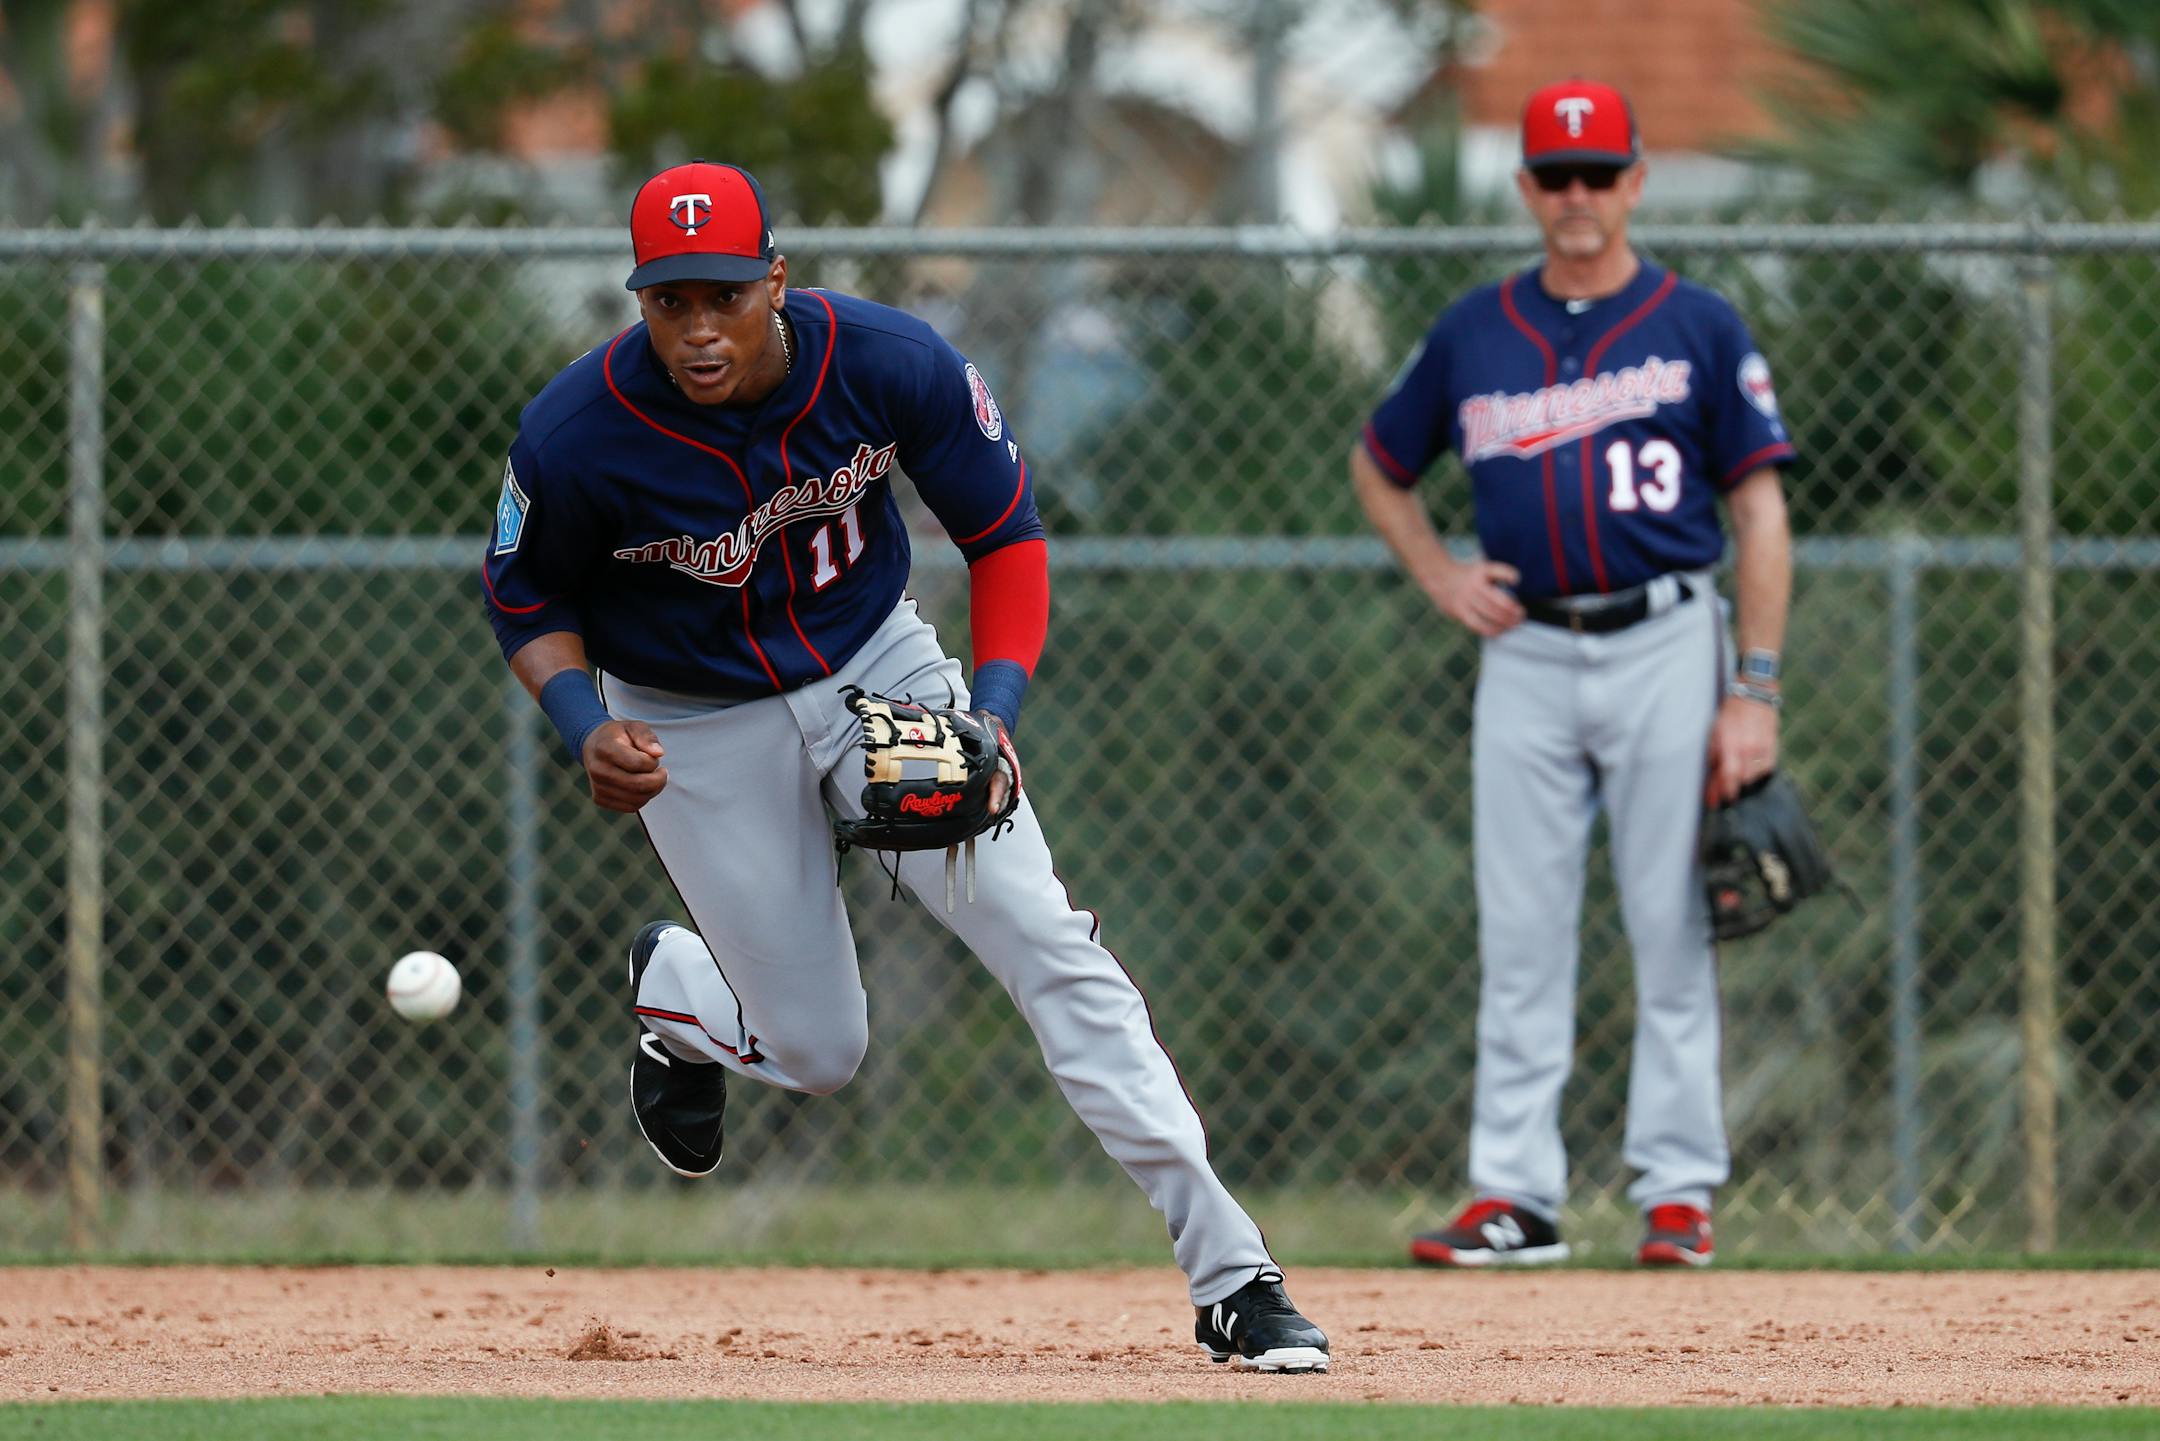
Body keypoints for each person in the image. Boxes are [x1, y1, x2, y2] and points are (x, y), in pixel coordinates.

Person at [482, 161, 1328, 1369]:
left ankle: (1233, 1272)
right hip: (693, 715)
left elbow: (1006, 534)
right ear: (642, 304)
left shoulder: (887, 362)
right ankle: (681, 993)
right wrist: (581, 723)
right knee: (822, 1053)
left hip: (880, 668)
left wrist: (991, 709)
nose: (701, 327)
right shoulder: (579, 433)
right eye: (671, 301)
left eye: (724, 292)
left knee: (1045, 937)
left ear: (776, 277)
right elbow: (524, 597)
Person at [1349, 81, 1796, 1268]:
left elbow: (1760, 510)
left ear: (1638, 181)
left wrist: (1754, 688)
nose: (1580, 196)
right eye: (1558, 174)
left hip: (1664, 642)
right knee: (1525, 928)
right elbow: (1381, 462)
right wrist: (1442, 574)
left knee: (1672, 921)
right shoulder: (1474, 331)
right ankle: (1515, 1194)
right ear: (1527, 189)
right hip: (1528, 650)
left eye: (1601, 173)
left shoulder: (1698, 323)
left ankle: (1679, 1190)